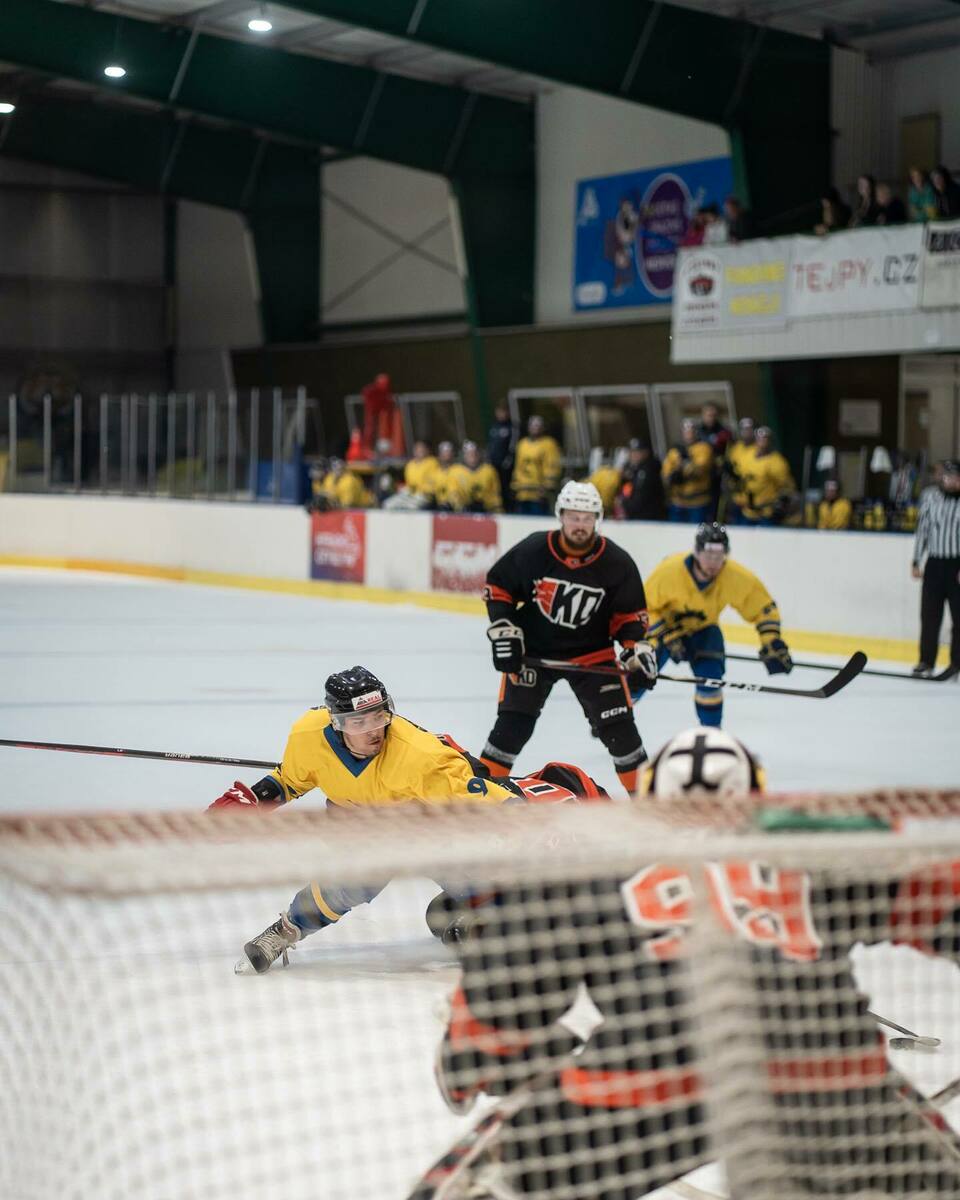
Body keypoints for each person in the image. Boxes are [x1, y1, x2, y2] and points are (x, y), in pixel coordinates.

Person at [427, 727, 960, 1200]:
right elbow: (936, 896)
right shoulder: (812, 851)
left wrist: (468, 1062)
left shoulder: (594, 868)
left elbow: (507, 986)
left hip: (647, 1082)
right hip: (824, 1076)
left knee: (502, 1180)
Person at [209, 665, 579, 974]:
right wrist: (255, 800)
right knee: (355, 881)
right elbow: (291, 779)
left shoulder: (422, 759)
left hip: (428, 824)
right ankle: (286, 929)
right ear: (336, 722)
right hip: (362, 821)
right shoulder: (308, 735)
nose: (373, 730)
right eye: (359, 721)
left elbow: (479, 797)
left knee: (478, 886)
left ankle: (487, 915)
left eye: (379, 716)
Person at [479, 480, 657, 795]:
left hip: (593, 656)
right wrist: (505, 630)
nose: (580, 525)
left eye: (587, 518)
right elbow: (498, 587)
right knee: (510, 730)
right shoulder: (535, 550)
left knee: (622, 735)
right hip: (534, 654)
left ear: (597, 519)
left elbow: (629, 617)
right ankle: (482, 796)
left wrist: (634, 650)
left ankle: (649, 803)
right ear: (561, 515)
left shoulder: (616, 562)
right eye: (574, 517)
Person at [641, 522, 792, 725]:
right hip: (663, 629)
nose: (713, 562)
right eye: (708, 555)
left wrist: (771, 641)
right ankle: (617, 716)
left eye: (719, 556)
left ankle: (711, 732)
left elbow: (763, 607)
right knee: (639, 673)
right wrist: (665, 633)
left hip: (704, 630)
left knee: (711, 681)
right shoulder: (669, 571)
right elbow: (643, 606)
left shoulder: (733, 576)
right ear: (697, 552)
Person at [910, 459, 960, 678]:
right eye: (947, 476)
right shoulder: (930, 497)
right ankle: (926, 661)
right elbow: (923, 529)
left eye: (955, 477)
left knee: (959, 618)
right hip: (934, 564)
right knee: (929, 615)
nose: (950, 481)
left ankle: (957, 663)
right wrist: (916, 561)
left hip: (956, 565)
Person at [737, 425, 795, 525]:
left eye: (765, 438)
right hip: (747, 510)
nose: (762, 441)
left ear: (770, 441)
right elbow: (739, 477)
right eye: (759, 438)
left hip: (767, 512)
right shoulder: (747, 455)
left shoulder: (777, 462)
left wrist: (780, 501)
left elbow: (786, 486)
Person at [661, 418, 714, 523]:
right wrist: (674, 474)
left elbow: (698, 470)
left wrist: (684, 464)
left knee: (696, 529)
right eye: (686, 431)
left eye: (691, 431)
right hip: (678, 501)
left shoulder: (704, 448)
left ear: (696, 432)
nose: (688, 434)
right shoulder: (674, 451)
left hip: (697, 501)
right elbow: (666, 474)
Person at [510, 415, 562, 515]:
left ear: (543, 428)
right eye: (532, 426)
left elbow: (551, 466)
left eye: (538, 426)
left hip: (538, 492)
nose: (535, 428)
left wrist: (548, 486)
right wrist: (515, 486)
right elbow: (518, 466)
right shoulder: (522, 444)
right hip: (523, 492)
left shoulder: (549, 444)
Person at [447, 440, 504, 513]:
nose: (472, 457)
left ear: (479, 454)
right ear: (464, 455)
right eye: (469, 454)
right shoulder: (455, 471)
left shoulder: (489, 470)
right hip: (464, 510)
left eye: (474, 453)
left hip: (486, 510)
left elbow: (494, 493)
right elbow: (453, 492)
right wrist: (460, 506)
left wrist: (495, 508)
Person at [615, 438, 665, 521]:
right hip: (639, 516)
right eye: (631, 452)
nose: (633, 455)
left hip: (649, 518)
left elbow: (640, 499)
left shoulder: (648, 470)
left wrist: (623, 503)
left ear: (646, 453)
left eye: (637, 452)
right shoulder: (634, 469)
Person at [721, 416, 758, 523]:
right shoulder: (735, 448)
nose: (747, 432)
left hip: (753, 500)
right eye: (744, 429)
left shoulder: (759, 449)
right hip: (737, 498)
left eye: (749, 429)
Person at [487, 404, 516, 512]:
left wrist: (508, 460)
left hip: (505, 466)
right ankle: (497, 508)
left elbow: (513, 445)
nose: (501, 414)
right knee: (495, 487)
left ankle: (509, 509)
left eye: (503, 412)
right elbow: (491, 444)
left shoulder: (511, 427)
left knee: (506, 488)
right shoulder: (494, 427)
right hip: (494, 464)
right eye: (499, 412)